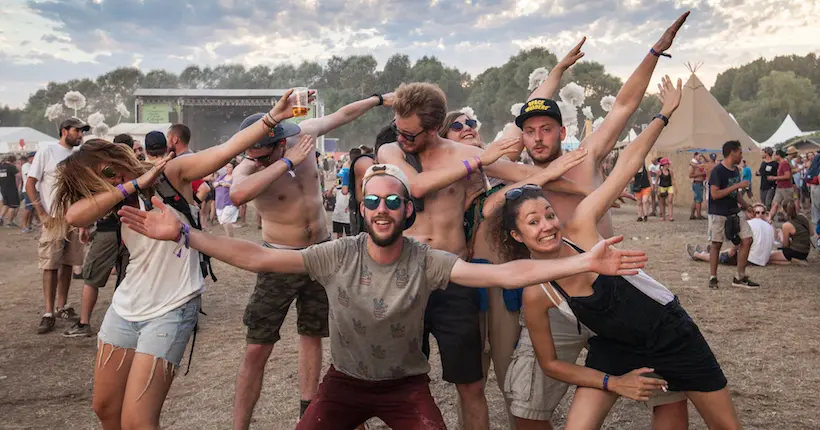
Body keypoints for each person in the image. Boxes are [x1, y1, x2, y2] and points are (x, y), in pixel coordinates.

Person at [116, 163, 647, 430]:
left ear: (406, 211)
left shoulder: (427, 260)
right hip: (344, 383)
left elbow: (505, 276)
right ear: (361, 209)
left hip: (404, 387)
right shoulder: (337, 253)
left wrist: (583, 259)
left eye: (393, 200)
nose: (383, 208)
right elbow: (258, 257)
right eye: (372, 201)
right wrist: (185, 234)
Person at [495, 74, 743, 430]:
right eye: (533, 222)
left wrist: (664, 114)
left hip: (671, 334)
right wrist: (614, 382)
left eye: (549, 214)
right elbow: (550, 364)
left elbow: (626, 164)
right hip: (614, 346)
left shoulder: (580, 226)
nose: (548, 225)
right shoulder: (537, 291)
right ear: (517, 235)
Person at [47, 90, 303, 430]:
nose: (111, 181)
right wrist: (134, 184)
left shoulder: (173, 173)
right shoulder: (114, 194)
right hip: (125, 307)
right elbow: (75, 215)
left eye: (111, 172)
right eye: (101, 181)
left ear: (116, 155)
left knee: (139, 420)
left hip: (172, 306)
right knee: (105, 408)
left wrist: (272, 118)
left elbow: (226, 150)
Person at [478, 19, 690, 428]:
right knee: (527, 400)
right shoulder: (515, 175)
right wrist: (555, 74)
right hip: (553, 296)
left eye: (546, 129)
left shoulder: (587, 157)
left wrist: (656, 50)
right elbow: (486, 205)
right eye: (530, 132)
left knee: (666, 384)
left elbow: (624, 105)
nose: (537, 138)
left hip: (613, 287)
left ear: (561, 131)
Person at [378, 81, 590, 430]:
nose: (402, 137)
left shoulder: (462, 156)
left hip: (452, 277)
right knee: (398, 380)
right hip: (404, 275)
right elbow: (414, 186)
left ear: (432, 129)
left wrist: (589, 190)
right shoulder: (392, 151)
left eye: (410, 133)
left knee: (470, 383)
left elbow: (525, 175)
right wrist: (479, 160)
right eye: (399, 129)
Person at [228, 92, 393, 429]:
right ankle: (240, 425)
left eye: (264, 155)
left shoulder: (302, 133)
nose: (256, 161)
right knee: (258, 346)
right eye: (253, 157)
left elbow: (344, 113)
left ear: (279, 141)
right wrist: (284, 163)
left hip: (319, 255)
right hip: (278, 259)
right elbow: (237, 193)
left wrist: (379, 99)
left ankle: (308, 411)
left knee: (312, 335)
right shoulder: (252, 163)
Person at [27, 118, 89, 333]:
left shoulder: (79, 156)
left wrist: (84, 222)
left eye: (82, 131)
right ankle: (48, 311)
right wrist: (41, 212)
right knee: (50, 264)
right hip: (53, 217)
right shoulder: (47, 151)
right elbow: (30, 183)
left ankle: (62, 306)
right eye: (77, 130)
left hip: (74, 216)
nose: (80, 134)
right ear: (64, 131)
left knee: (68, 263)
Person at [707, 140, 759, 289]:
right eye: (740, 152)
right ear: (732, 153)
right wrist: (737, 185)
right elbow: (715, 194)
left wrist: (746, 206)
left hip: (734, 211)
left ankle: (739, 276)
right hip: (718, 213)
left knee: (747, 239)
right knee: (716, 244)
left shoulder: (736, 170)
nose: (741, 155)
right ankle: (713, 277)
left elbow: (735, 195)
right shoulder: (717, 171)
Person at [687, 203, 776, 267]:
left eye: (762, 213)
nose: (759, 215)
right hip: (762, 261)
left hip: (749, 259)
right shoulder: (769, 227)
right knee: (730, 250)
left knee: (725, 255)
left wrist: (730, 252)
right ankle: (707, 253)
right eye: (757, 212)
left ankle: (698, 255)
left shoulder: (749, 224)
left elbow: (736, 247)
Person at [767, 149, 794, 221]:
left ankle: (792, 219)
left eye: (775, 155)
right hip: (780, 188)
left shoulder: (784, 163)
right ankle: (769, 219)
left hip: (786, 188)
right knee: (775, 204)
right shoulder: (781, 164)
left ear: (778, 155)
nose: (773, 156)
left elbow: (788, 176)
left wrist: (775, 178)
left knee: (787, 206)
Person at [215, 162, 239, 237]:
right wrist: (219, 183)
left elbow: (238, 188)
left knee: (225, 220)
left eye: (229, 167)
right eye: (226, 167)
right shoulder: (222, 176)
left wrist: (228, 185)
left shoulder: (235, 177)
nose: (227, 169)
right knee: (222, 221)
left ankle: (230, 239)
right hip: (219, 202)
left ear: (233, 168)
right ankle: (229, 236)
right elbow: (214, 184)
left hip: (230, 202)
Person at [0, 155, 21, 227]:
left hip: (3, 189)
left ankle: (0, 218)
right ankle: (9, 222)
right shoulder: (11, 167)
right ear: (13, 161)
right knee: (13, 205)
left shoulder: (1, 167)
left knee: (6, 204)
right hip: (11, 189)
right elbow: (19, 176)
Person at [689, 153, 707, 220]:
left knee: (695, 199)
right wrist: (702, 174)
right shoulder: (692, 166)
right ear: (695, 156)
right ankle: (699, 215)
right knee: (698, 200)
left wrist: (703, 156)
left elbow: (707, 162)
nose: (700, 157)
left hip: (699, 183)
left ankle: (692, 215)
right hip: (697, 183)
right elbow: (690, 175)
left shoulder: (697, 164)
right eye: (699, 156)